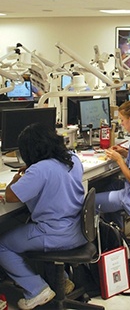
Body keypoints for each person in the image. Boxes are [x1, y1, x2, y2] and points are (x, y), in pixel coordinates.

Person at [0, 123, 87, 309]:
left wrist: (15, 181)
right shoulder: (72, 158)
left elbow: (10, 196)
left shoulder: (39, 170)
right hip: (79, 231)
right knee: (26, 223)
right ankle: (61, 280)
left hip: (55, 235)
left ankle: (36, 289)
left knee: (2, 245)